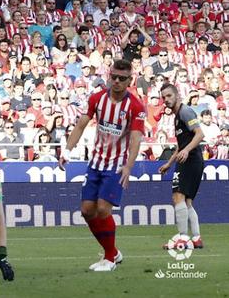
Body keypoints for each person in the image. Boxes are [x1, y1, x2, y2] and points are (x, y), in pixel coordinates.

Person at [59, 59, 145, 272]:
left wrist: (128, 166)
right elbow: (80, 125)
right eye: (113, 77)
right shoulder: (97, 98)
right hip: (95, 163)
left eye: (122, 78)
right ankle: (113, 252)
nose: (116, 81)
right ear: (109, 76)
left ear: (129, 80)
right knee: (87, 211)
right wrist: (67, 150)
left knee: (103, 209)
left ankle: (109, 258)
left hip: (116, 166)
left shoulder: (135, 106)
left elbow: (135, 139)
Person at [158, 84, 205, 249]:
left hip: (191, 160)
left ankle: (183, 239)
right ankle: (196, 238)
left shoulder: (185, 112)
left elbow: (200, 134)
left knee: (177, 197)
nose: (166, 100)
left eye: (169, 96)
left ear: (177, 95)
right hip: (189, 159)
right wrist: (169, 163)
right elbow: (181, 144)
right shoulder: (177, 116)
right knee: (187, 202)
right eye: (164, 97)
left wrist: (186, 150)